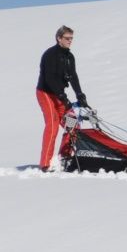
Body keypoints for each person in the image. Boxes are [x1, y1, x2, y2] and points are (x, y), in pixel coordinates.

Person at [35, 25, 88, 171]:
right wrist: (62, 97)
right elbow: (50, 78)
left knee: (73, 125)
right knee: (53, 124)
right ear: (59, 38)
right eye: (67, 38)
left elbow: (73, 77)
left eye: (71, 38)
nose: (70, 41)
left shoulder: (69, 57)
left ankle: (64, 158)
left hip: (59, 95)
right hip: (46, 93)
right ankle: (45, 164)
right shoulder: (50, 55)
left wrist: (80, 94)